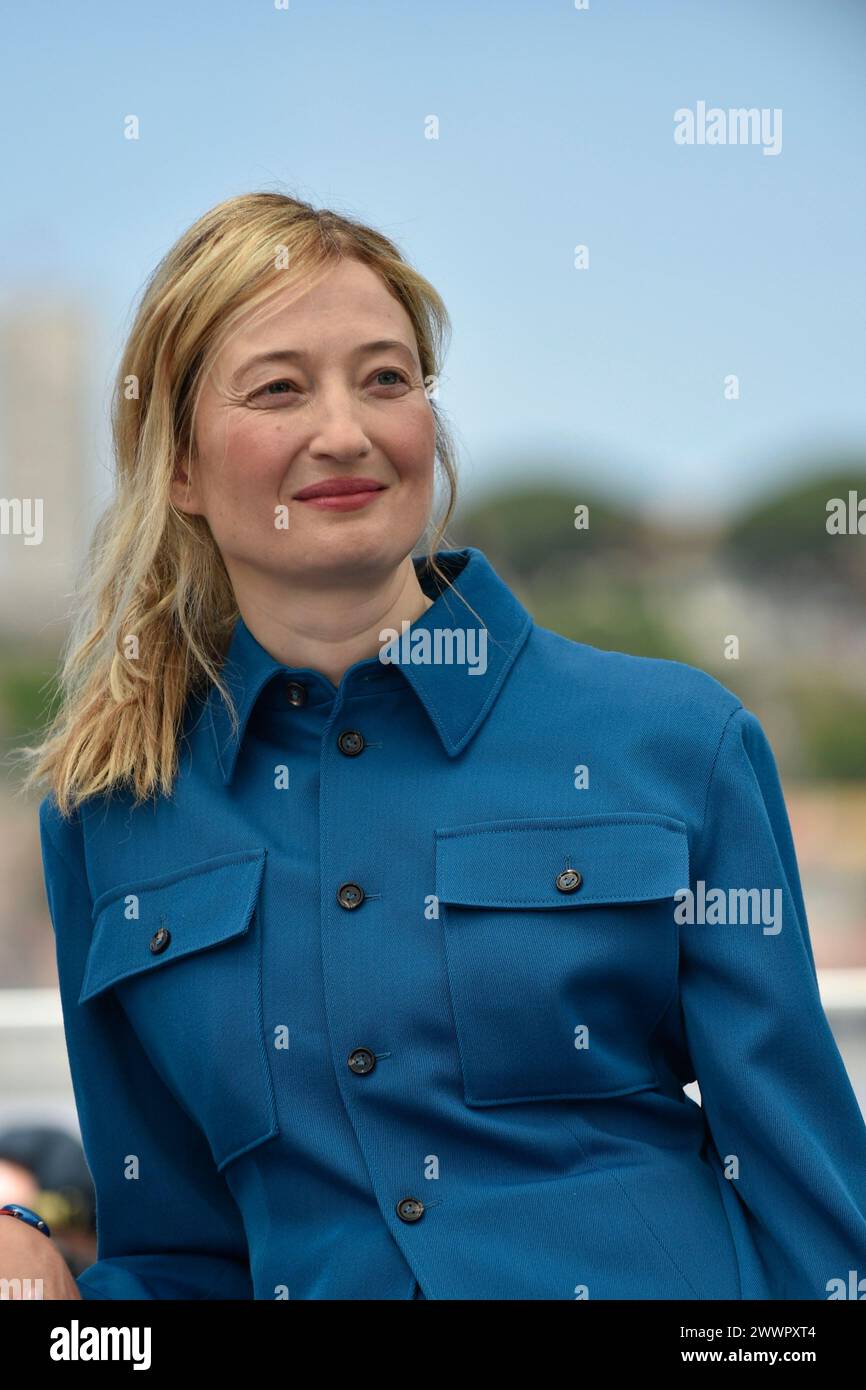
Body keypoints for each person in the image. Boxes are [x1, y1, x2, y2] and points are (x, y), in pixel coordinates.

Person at [9, 191, 866, 1300]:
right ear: (176, 468)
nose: (346, 430)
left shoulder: (676, 742)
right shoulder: (108, 819)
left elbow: (810, 1209)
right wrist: (49, 1285)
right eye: (279, 388)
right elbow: (182, 1258)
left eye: (385, 377)